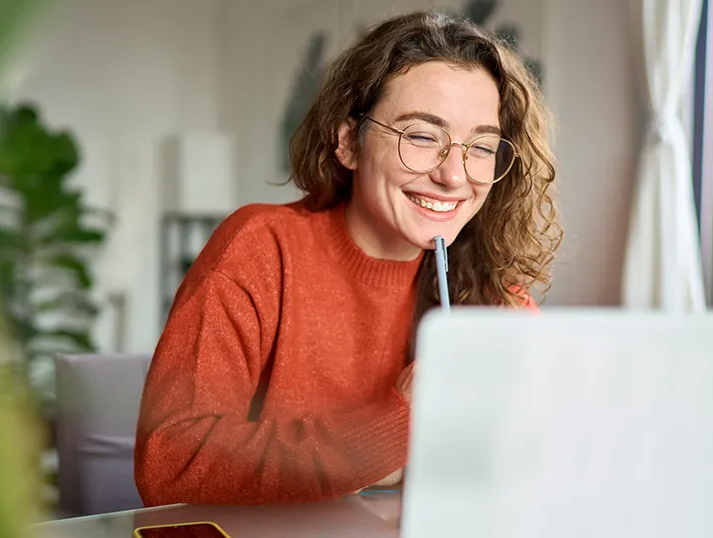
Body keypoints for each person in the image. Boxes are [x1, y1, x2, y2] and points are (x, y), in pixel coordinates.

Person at [134, 9, 561, 506]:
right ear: (347, 143)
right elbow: (171, 463)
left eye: (481, 147)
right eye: (422, 136)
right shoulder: (261, 248)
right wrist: (396, 425)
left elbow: (543, 454)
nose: (454, 175)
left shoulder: (488, 286)